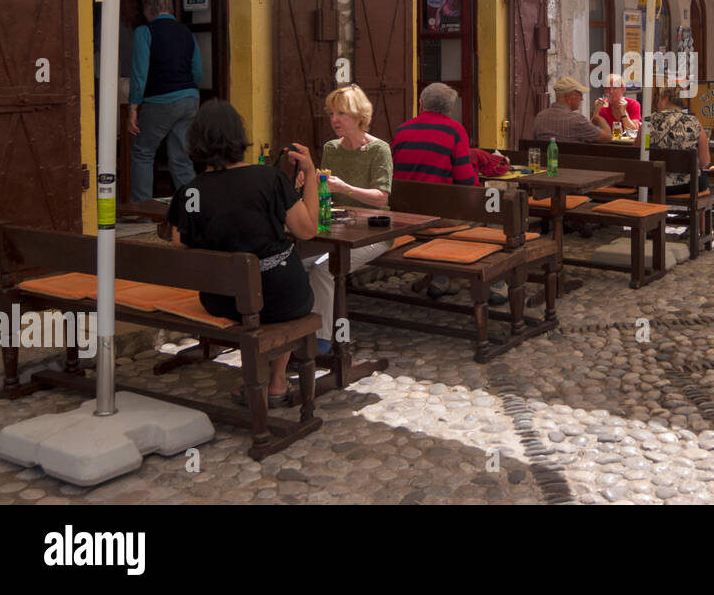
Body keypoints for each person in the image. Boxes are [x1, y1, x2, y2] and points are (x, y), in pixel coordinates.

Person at [167, 100, 317, 407]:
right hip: (280, 298)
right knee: (282, 274)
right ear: (239, 136)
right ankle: (275, 382)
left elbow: (179, 243)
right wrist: (310, 173)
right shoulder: (268, 179)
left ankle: (262, 380)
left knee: (257, 286)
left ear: (196, 140)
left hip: (222, 301)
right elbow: (307, 230)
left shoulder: (191, 191)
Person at [305, 85, 393, 353]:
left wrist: (345, 188)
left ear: (359, 115)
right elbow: (324, 190)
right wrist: (308, 182)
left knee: (324, 269)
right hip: (337, 227)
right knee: (294, 262)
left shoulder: (379, 149)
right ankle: (296, 329)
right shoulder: (332, 148)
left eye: (341, 113)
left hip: (374, 230)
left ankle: (322, 341)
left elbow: (381, 197)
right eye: (332, 113)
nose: (335, 120)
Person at [392, 83, 493, 302]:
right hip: (437, 217)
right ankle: (494, 280)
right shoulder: (455, 130)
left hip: (404, 214)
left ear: (421, 104)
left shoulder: (402, 130)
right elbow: (466, 182)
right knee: (488, 214)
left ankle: (442, 278)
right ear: (451, 108)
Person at [128, 0, 202, 201]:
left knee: (143, 152)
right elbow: (197, 70)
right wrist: (187, 90)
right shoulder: (186, 32)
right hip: (190, 98)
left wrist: (133, 107)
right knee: (181, 157)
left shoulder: (145, 32)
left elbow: (140, 73)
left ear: (149, 8)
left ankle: (142, 211)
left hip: (160, 99)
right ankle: (192, 209)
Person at [648, 83, 711, 194]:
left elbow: (639, 151)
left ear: (665, 100)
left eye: (658, 99)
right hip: (687, 185)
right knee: (703, 180)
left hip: (653, 184)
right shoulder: (694, 122)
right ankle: (700, 211)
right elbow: (704, 162)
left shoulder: (648, 121)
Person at [532, 75, 612, 142]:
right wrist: (599, 118)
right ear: (570, 97)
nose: (582, 99)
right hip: (572, 161)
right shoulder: (577, 120)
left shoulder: (540, 117)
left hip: (546, 160)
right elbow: (607, 137)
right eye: (580, 95)